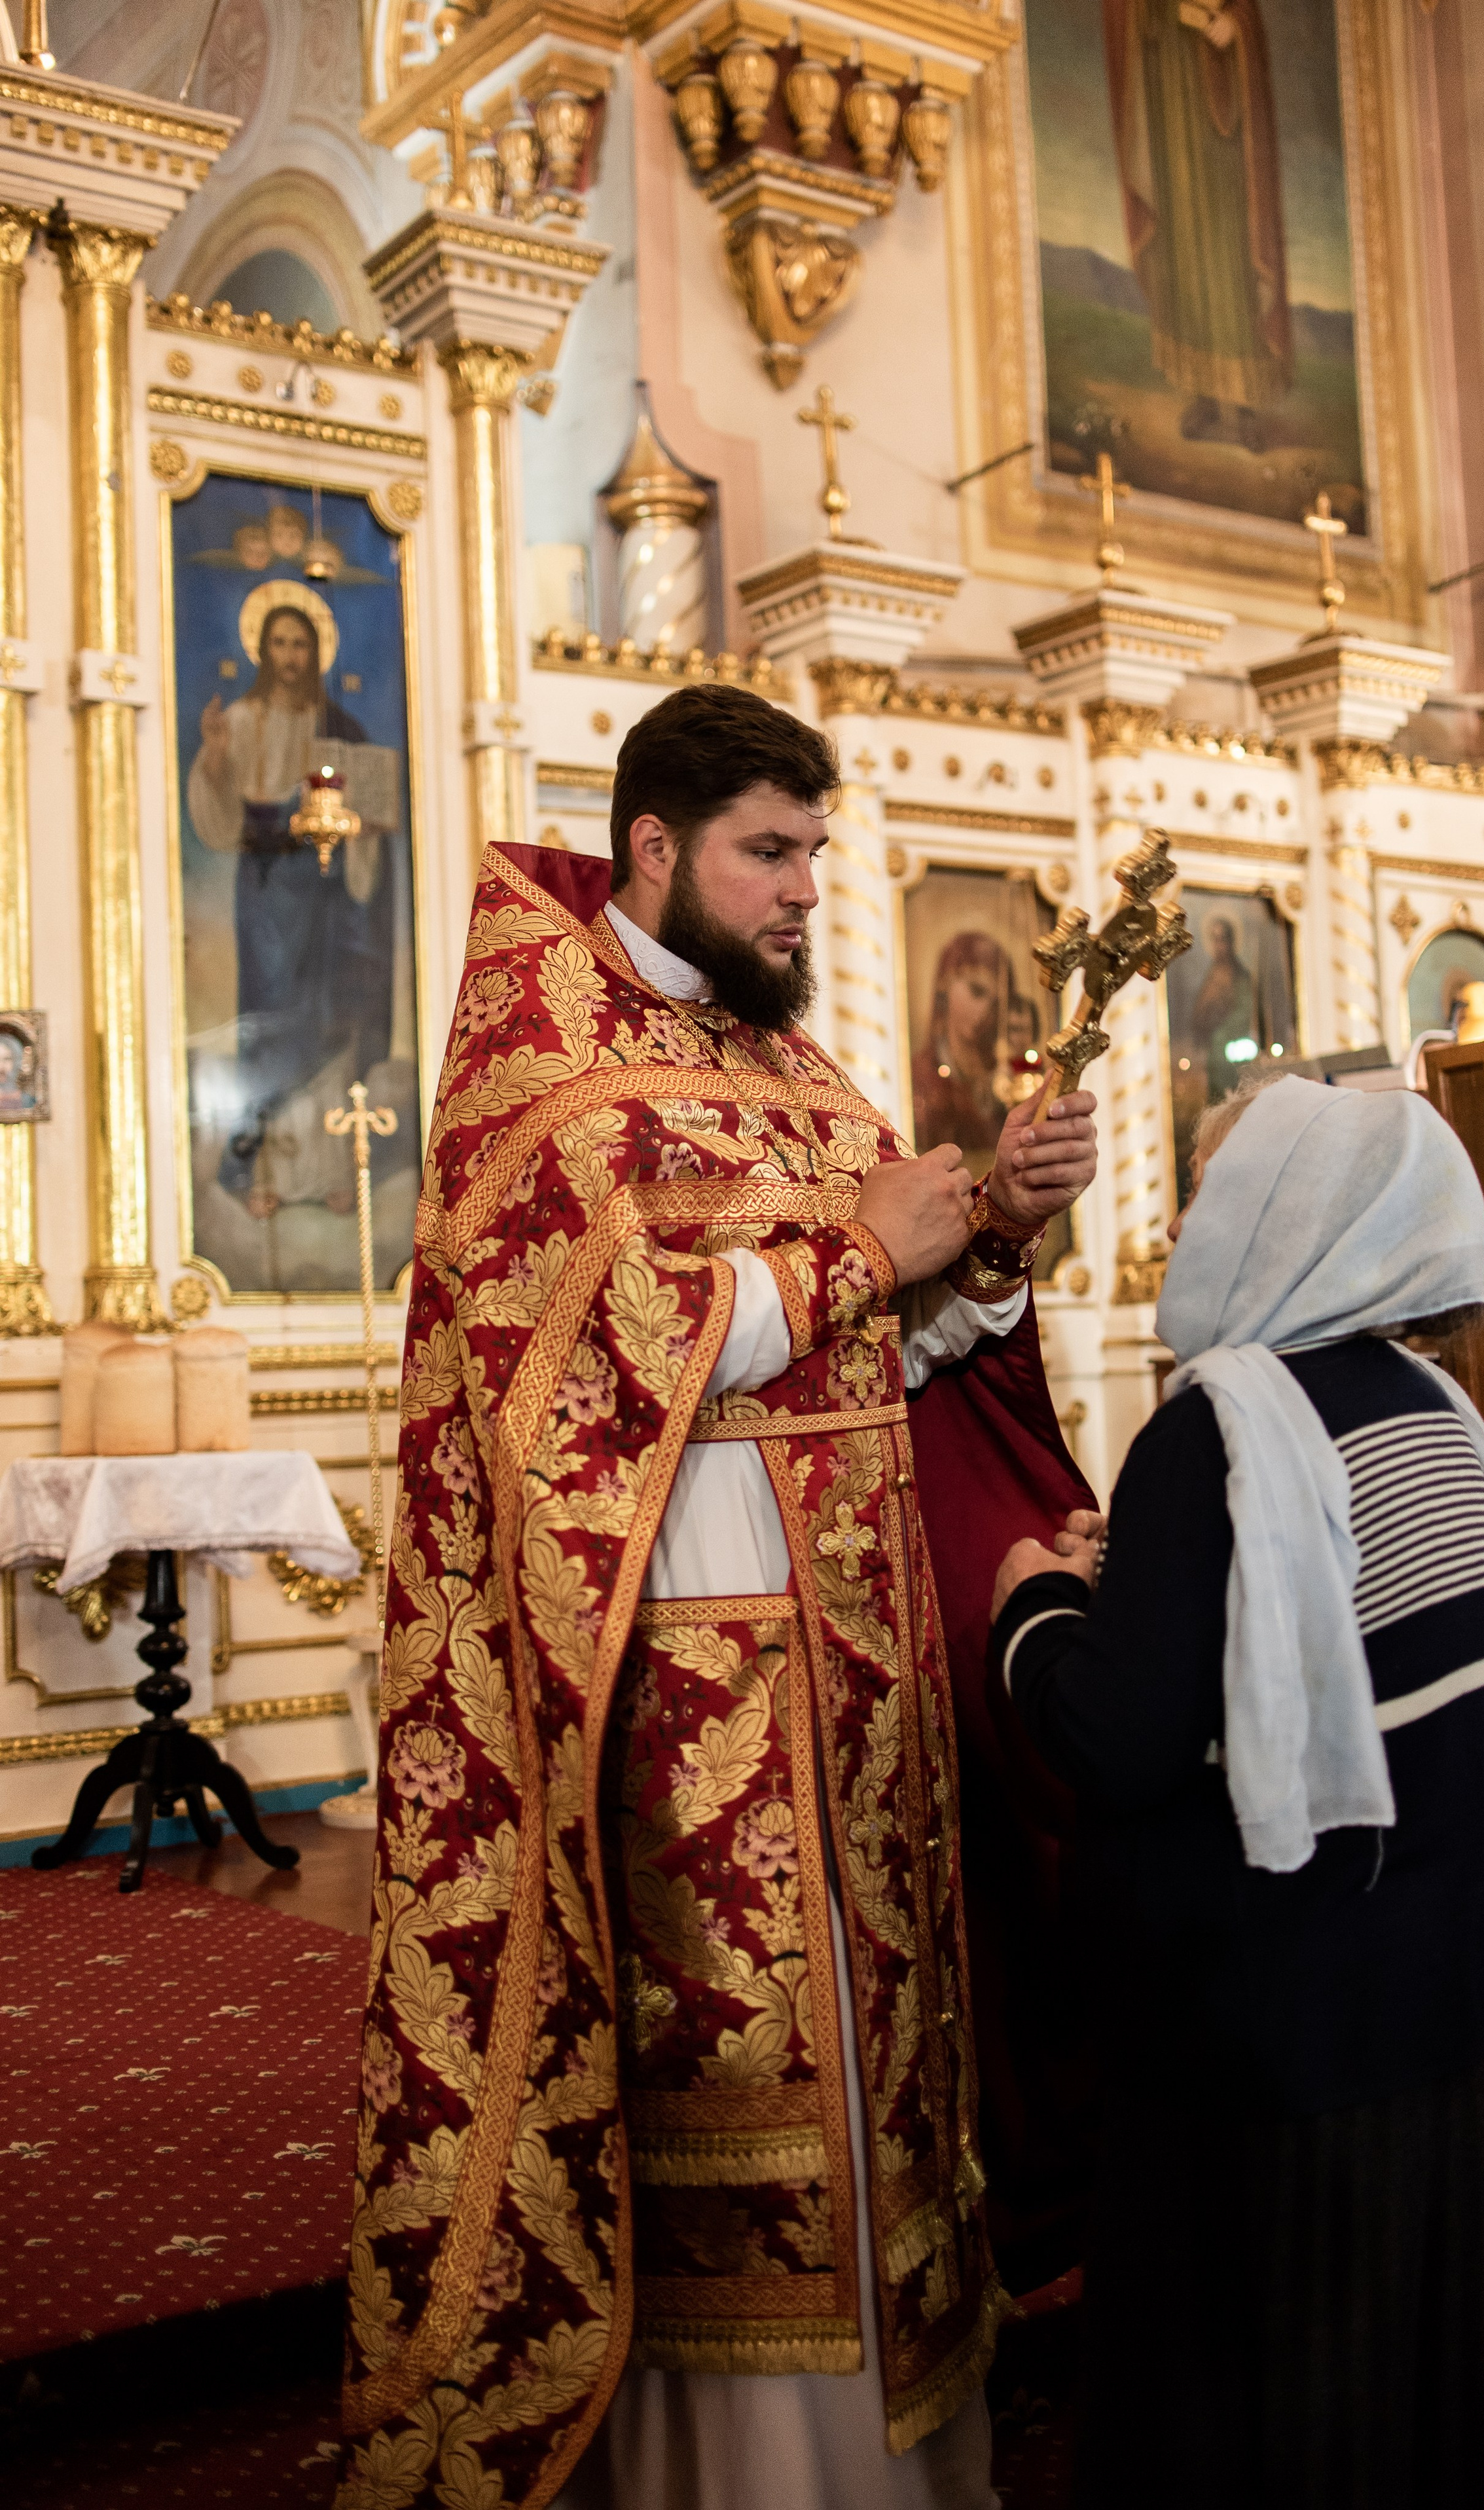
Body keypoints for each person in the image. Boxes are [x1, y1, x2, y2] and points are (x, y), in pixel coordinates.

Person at [336, 683, 1100, 2510]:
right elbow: (587, 1360)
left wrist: (987, 1229)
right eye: (771, 852)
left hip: (859, 1700)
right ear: (656, 849)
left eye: (818, 856)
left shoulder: (791, 1072)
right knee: (750, 2072)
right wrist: (867, 1249)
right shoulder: (542, 1059)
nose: (803, 894)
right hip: (677, 1707)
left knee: (877, 2084)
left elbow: (882, 1345)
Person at [988, 1073, 1484, 2508]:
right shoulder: (1434, 1405)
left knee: (1283, 2431)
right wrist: (1138, 1580)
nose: (1187, 1217)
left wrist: (1035, 1606)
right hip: (1462, 2005)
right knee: (1441, 2417)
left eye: (1212, 1184)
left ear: (1291, 1216)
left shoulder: (1216, 1433)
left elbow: (1117, 1742)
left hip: (1289, 2053)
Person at [187, 599, 393, 1218]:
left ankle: (332, 1171)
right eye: (277, 643)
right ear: (262, 651)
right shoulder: (243, 720)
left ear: (316, 654)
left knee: (328, 1014)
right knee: (274, 1021)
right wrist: (217, 756)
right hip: (269, 890)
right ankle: (265, 1175)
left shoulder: (342, 728)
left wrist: (365, 828)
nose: (289, 655)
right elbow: (220, 817)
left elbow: (371, 816)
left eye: (299, 644)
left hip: (325, 890)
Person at [1104, 0, 1291, 448]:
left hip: (1223, 127)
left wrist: (1236, 28)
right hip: (1173, 100)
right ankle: (1206, 392)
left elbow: (1246, 17)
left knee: (1231, 250)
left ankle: (1244, 398)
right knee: (1185, 247)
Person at [911, 930, 1016, 1161]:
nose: (985, 1011)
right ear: (945, 985)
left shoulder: (1001, 1079)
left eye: (995, 1002)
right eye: (977, 992)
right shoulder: (919, 1073)